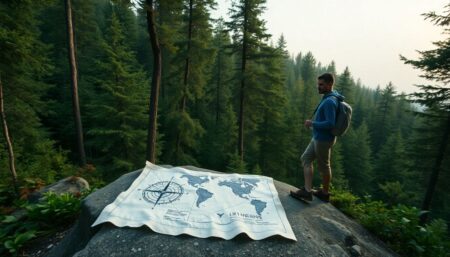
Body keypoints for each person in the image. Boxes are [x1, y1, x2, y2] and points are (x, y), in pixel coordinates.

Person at [290, 72, 344, 202]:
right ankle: (308, 191)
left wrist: (312, 123)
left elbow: (330, 123)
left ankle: (324, 193)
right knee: (306, 158)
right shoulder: (330, 96)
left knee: (324, 166)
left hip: (323, 139)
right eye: (318, 84)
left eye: (321, 84)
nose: (318, 87)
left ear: (330, 84)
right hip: (319, 137)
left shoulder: (330, 101)